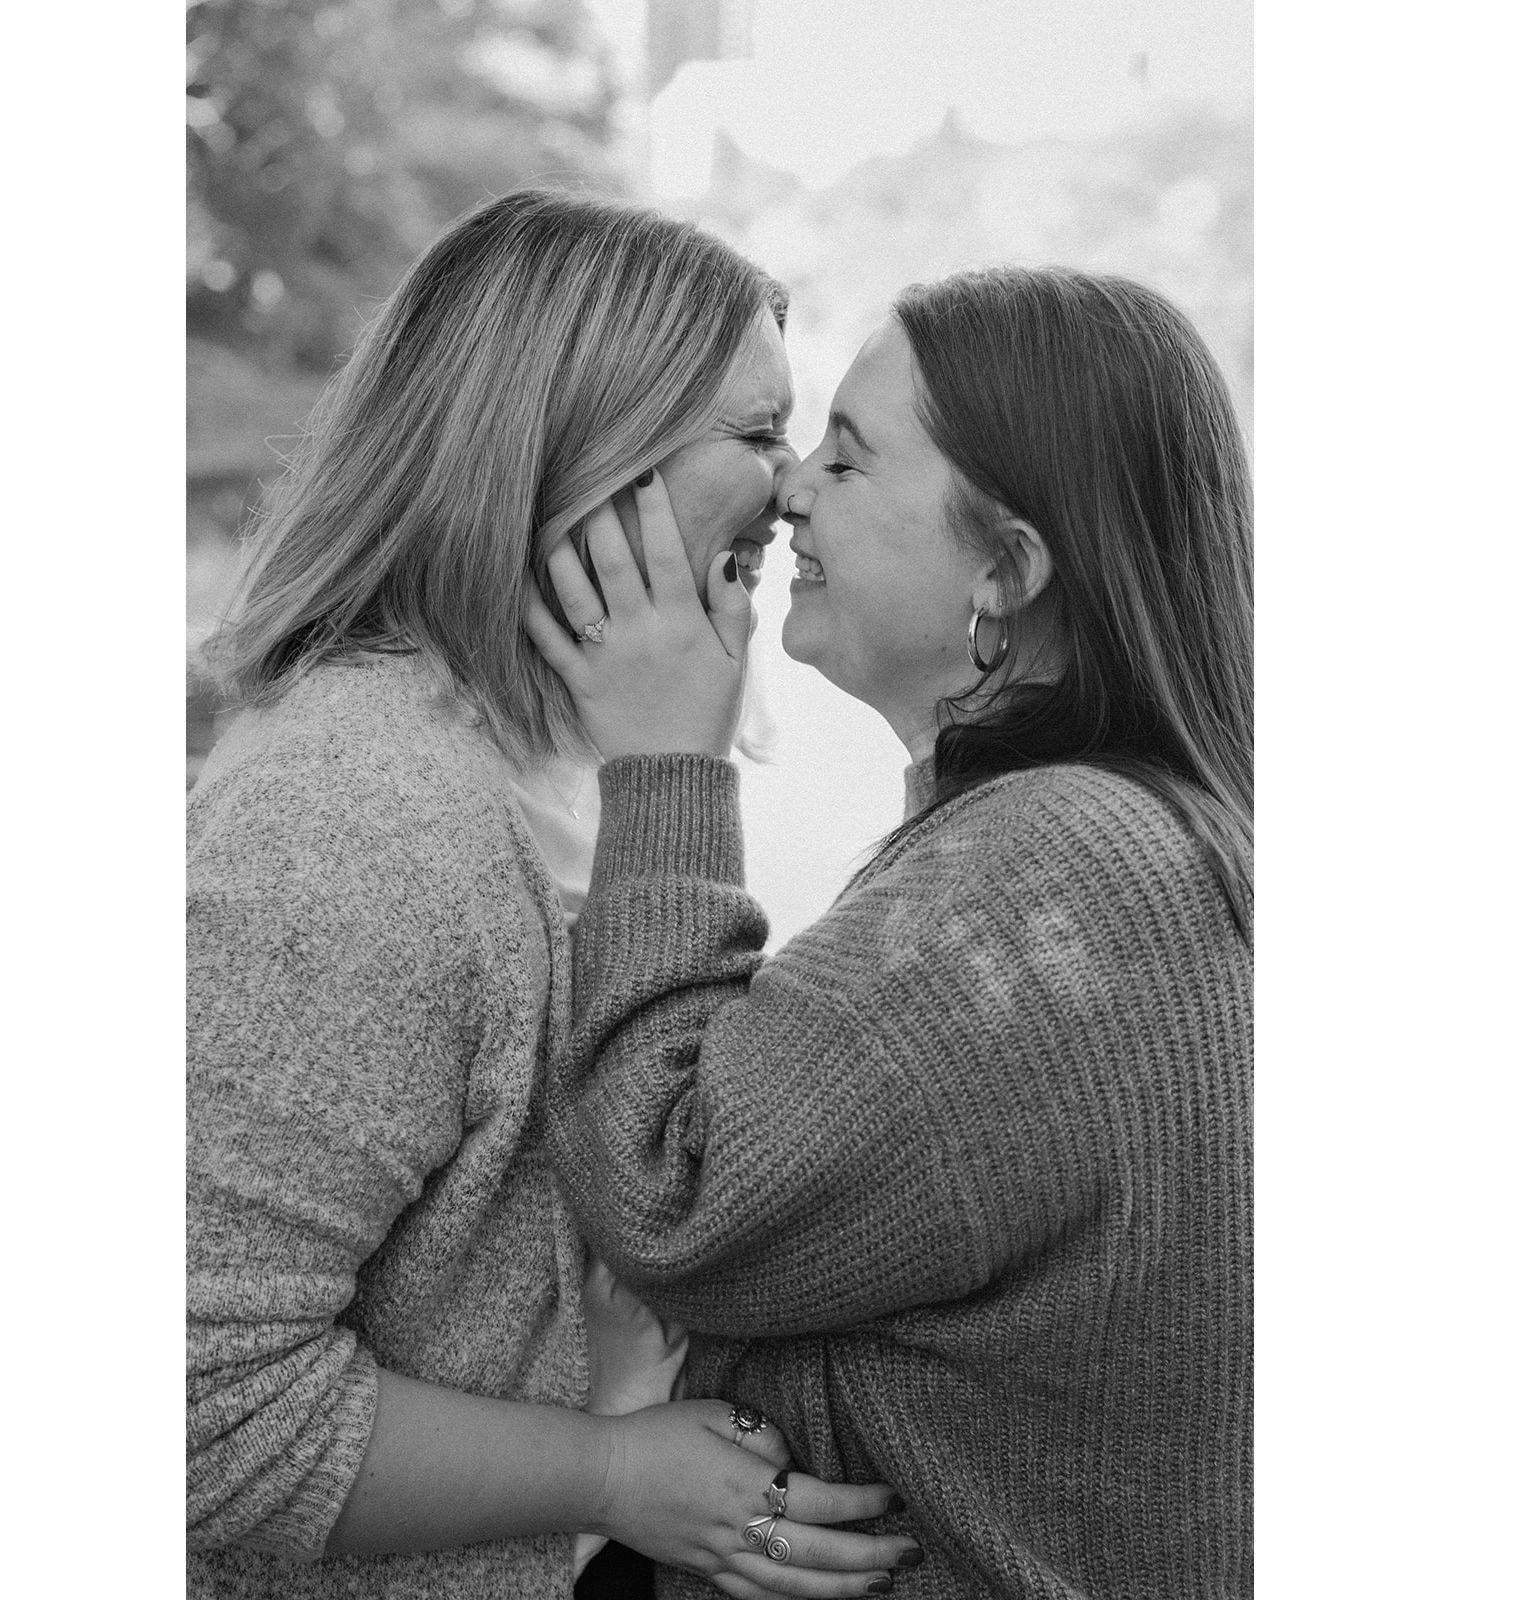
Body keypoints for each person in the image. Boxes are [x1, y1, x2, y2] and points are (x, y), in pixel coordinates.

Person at [188, 187, 923, 1600]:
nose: (792, 488)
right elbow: (197, 1407)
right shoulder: (358, 816)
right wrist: (615, 1475)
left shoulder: (559, 775)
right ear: (580, 452)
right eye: (756, 434)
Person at [529, 266, 1254, 1598]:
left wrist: (665, 768)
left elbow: (670, 1193)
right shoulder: (1120, 843)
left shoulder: (1056, 873)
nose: (790, 490)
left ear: (1006, 569)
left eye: (848, 460)